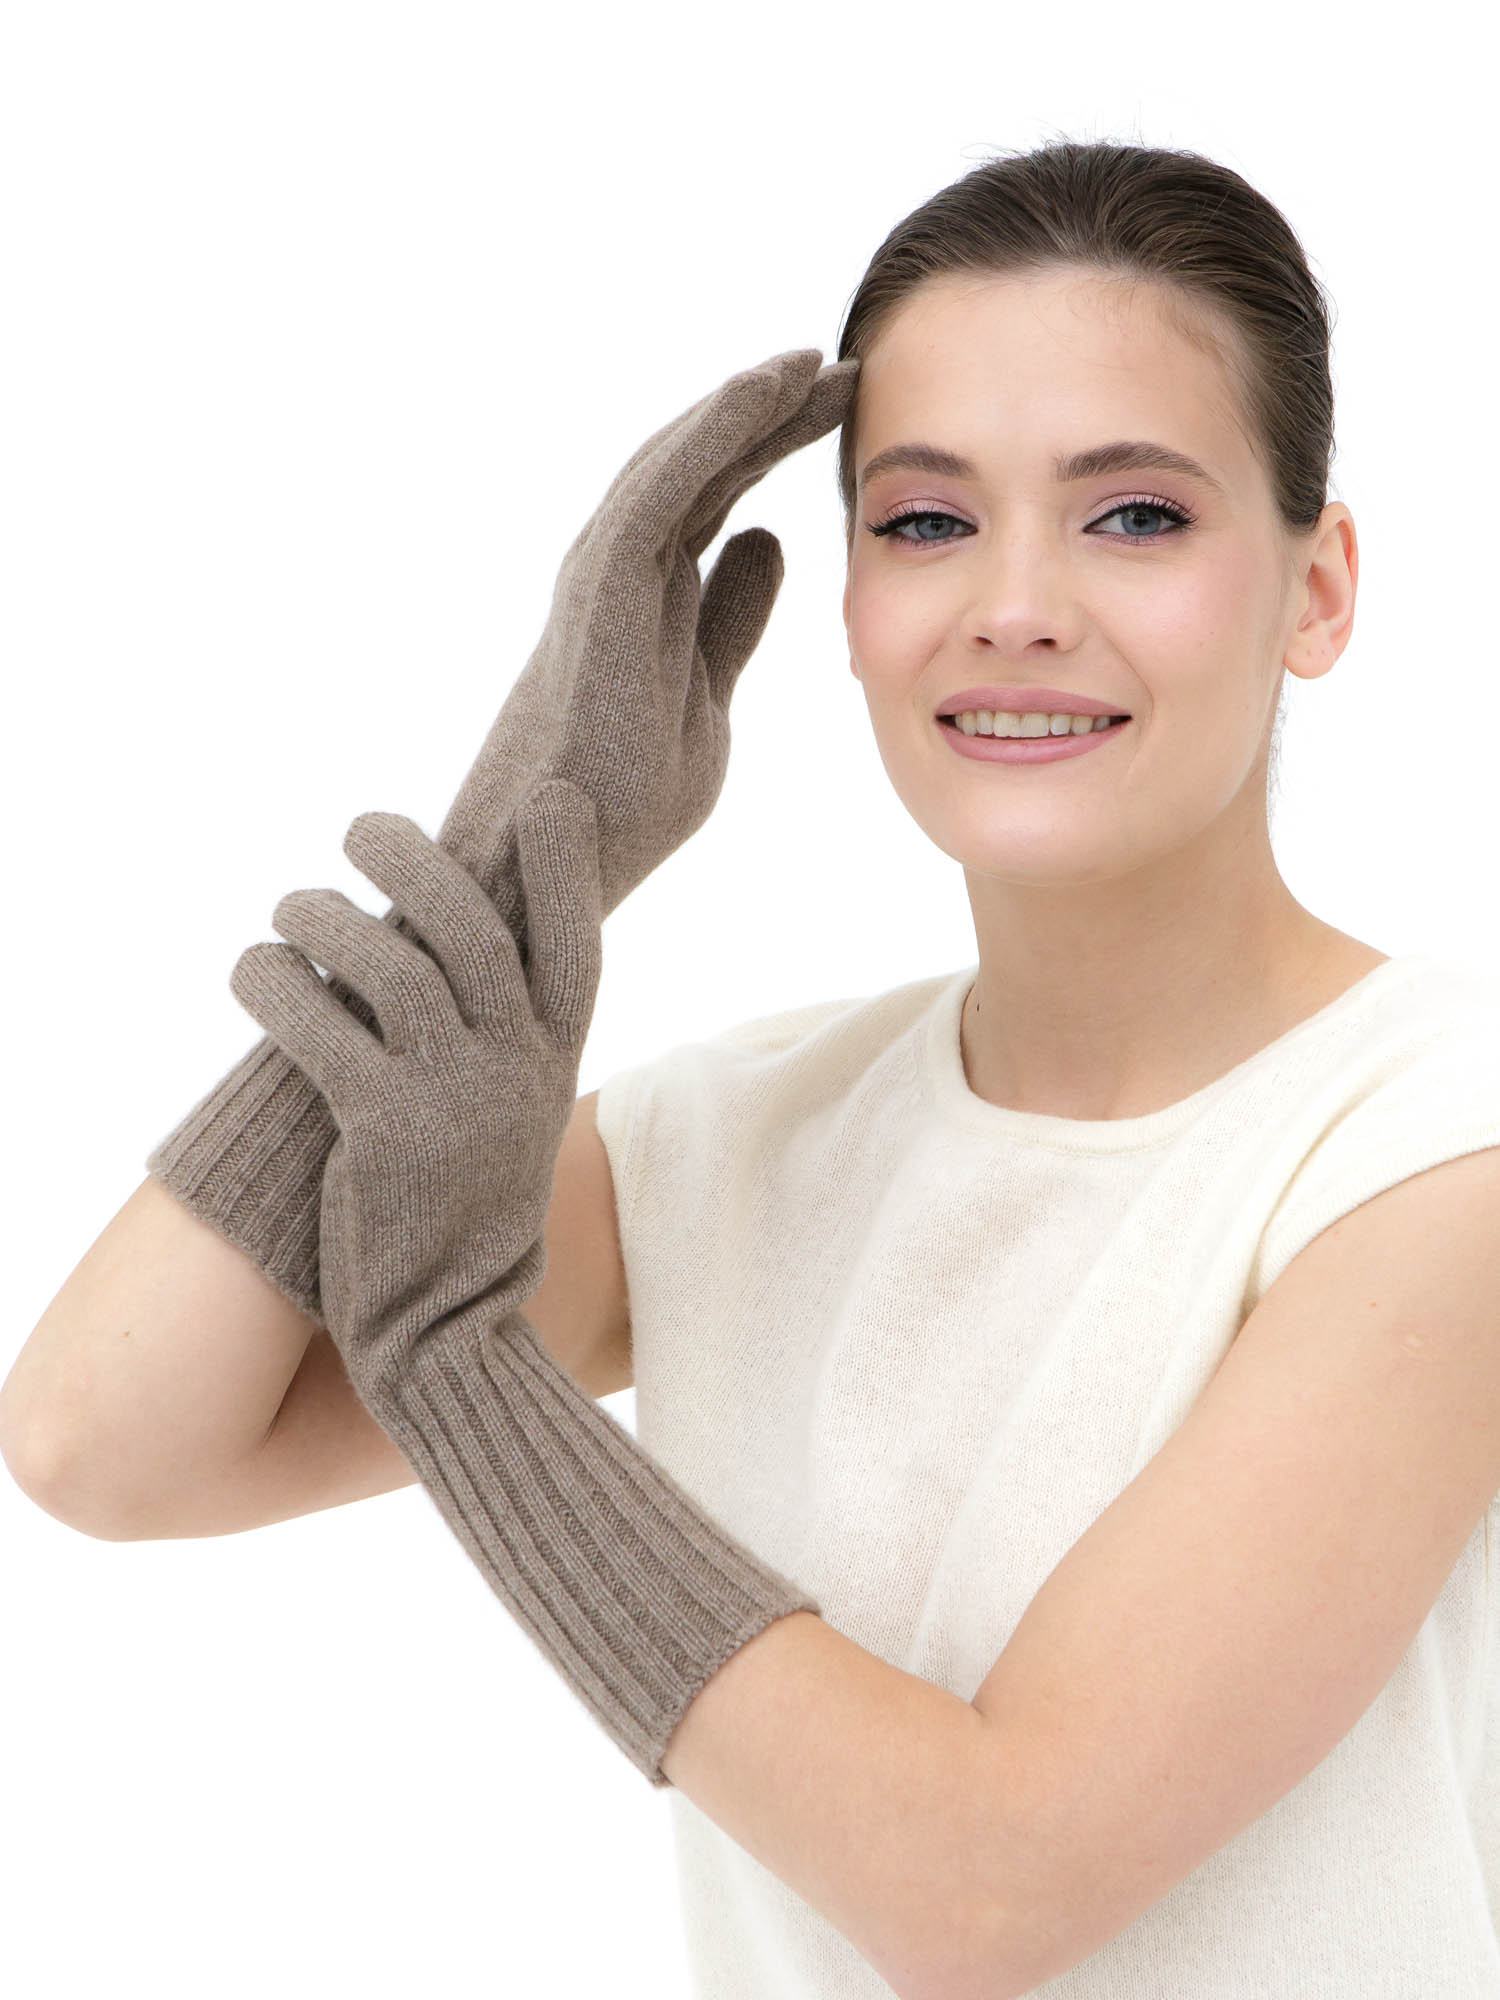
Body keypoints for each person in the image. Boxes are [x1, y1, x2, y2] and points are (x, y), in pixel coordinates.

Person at [7, 136, 1500, 1996]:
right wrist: (523, 839)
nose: (1015, 603)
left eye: (1135, 515)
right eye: (926, 522)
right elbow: (100, 1436)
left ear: (1319, 588)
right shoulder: (743, 1137)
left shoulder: (1436, 1152)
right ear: (849, 606)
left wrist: (461, 1364)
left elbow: (985, 1888)